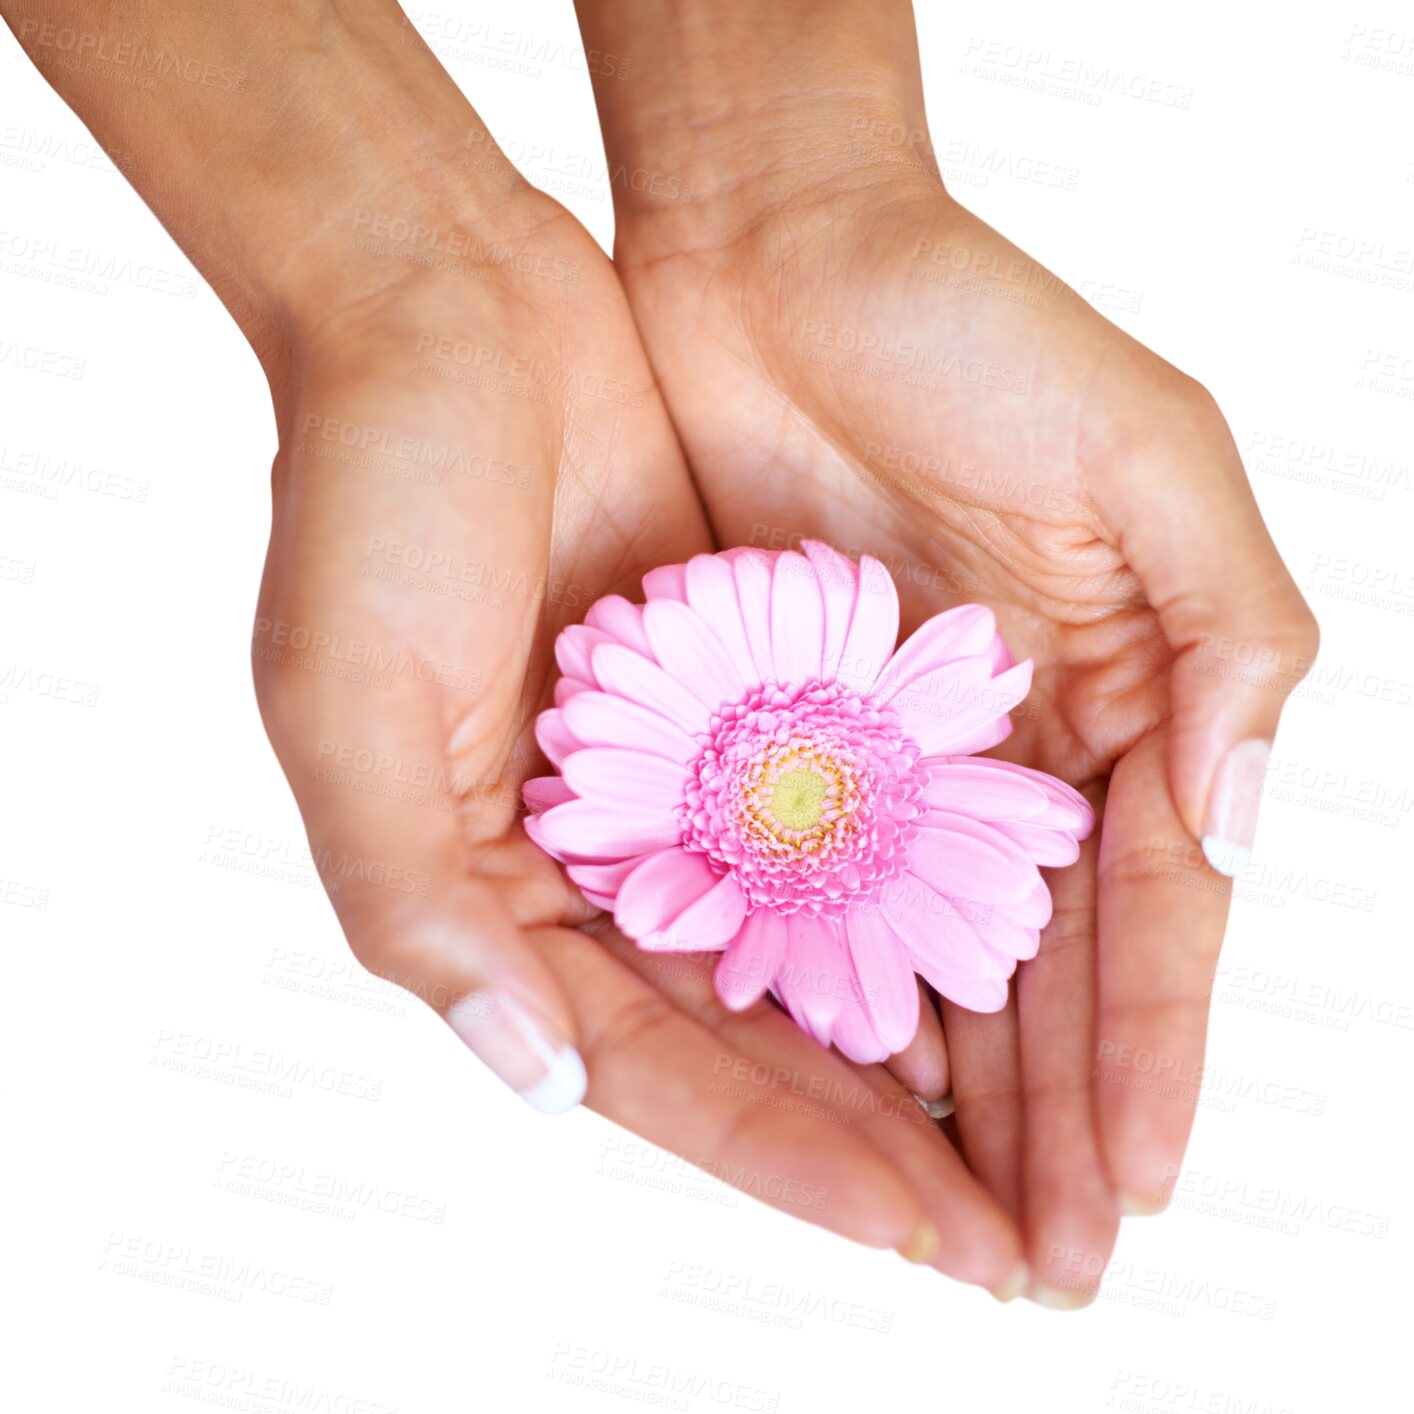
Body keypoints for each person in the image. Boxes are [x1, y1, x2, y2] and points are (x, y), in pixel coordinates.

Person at [2, 0, 1317, 1307]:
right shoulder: (714, 710)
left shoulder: (907, 751)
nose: (800, 795)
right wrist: (400, 280)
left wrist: (777, 179)